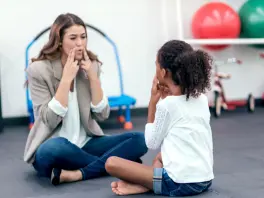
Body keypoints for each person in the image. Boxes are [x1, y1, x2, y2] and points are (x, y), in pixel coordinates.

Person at [23, 13, 148, 186]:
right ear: (59, 40)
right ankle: (117, 165)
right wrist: (66, 78)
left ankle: (79, 173)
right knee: (53, 149)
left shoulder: (92, 65)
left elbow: (102, 115)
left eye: (83, 37)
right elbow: (49, 120)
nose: (80, 43)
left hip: (86, 143)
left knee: (140, 140)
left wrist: (92, 77)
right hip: (55, 144)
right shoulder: (38, 70)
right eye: (73, 38)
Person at [105, 40, 214, 197]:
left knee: (112, 163)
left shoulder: (167, 105)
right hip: (204, 180)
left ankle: (147, 185)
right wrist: (164, 101)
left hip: (179, 184)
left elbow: (151, 142)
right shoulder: (201, 98)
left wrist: (153, 103)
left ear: (163, 72)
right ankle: (148, 184)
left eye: (156, 64)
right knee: (160, 157)